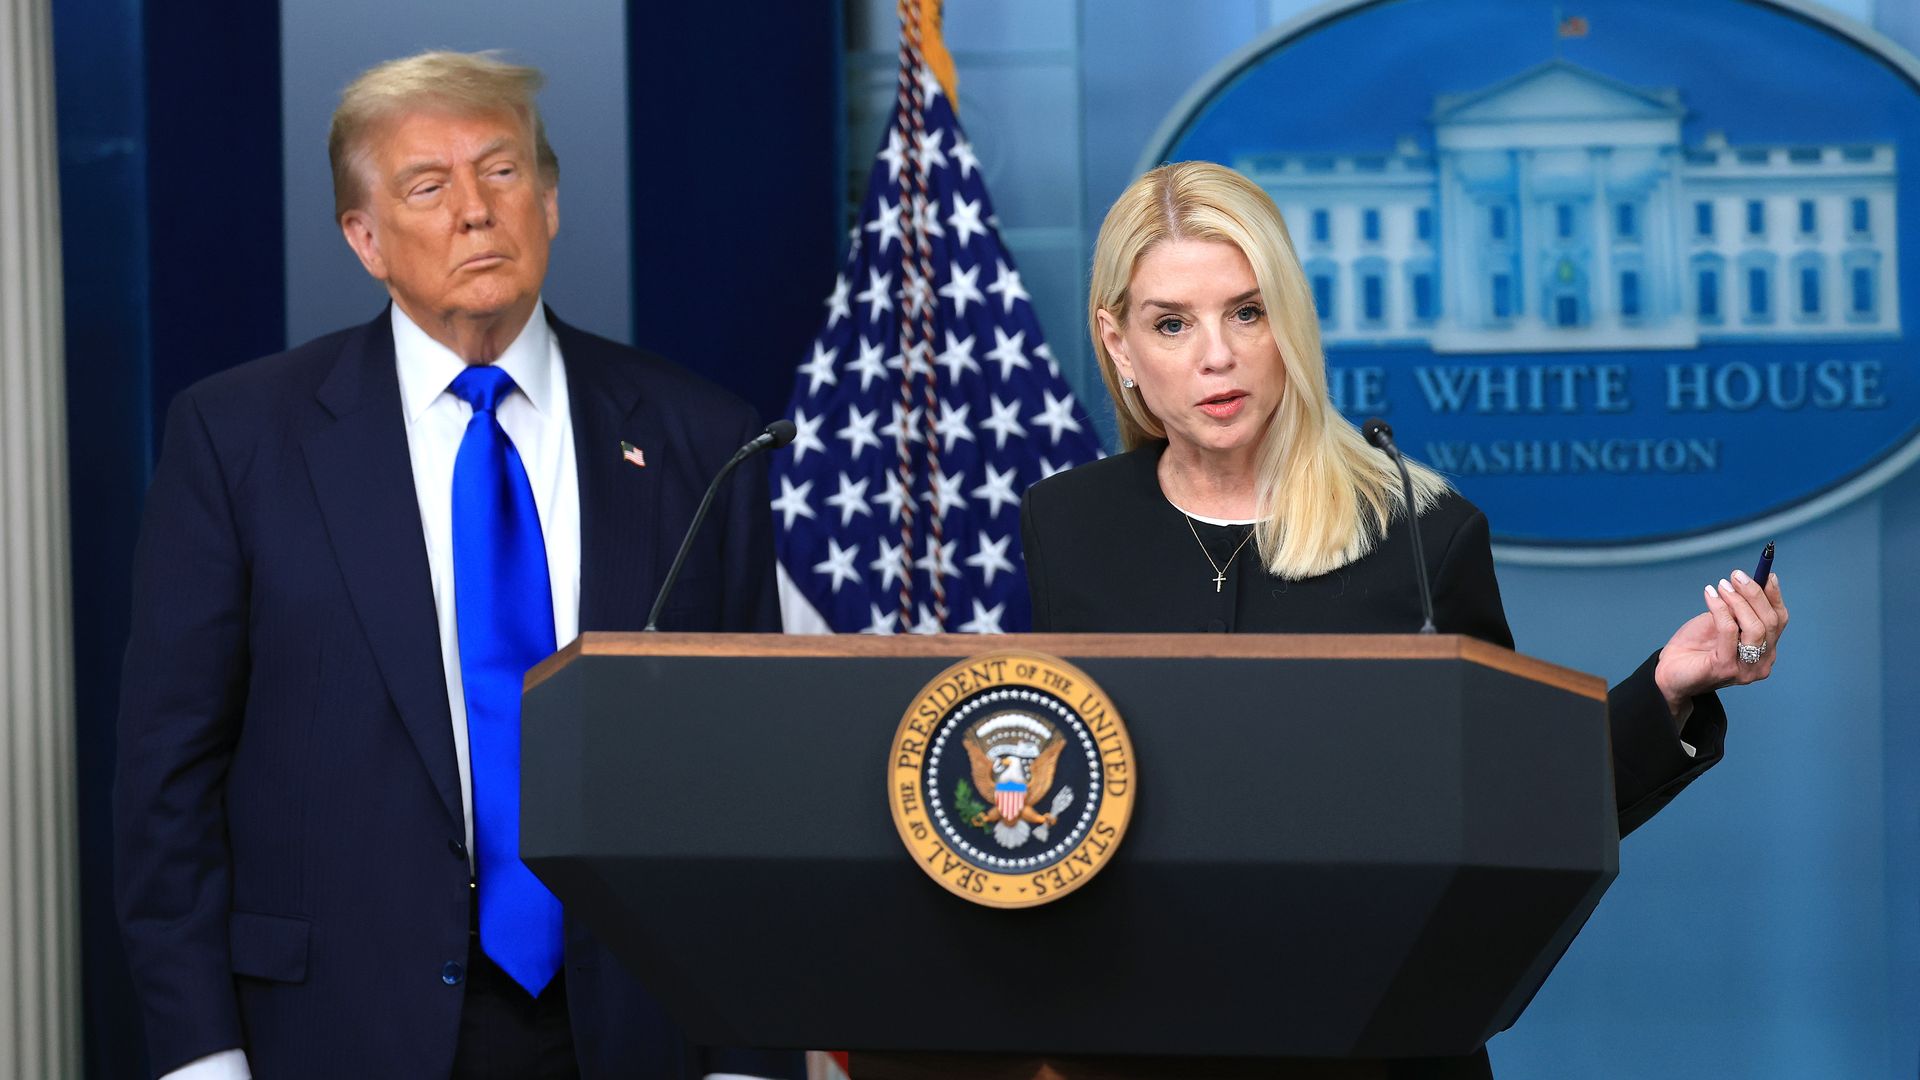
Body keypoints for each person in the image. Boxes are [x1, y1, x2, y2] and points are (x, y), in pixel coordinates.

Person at [115, 51, 799, 1080]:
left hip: (637, 1027)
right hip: (337, 1030)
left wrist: (747, 1059)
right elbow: (169, 779)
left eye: (502, 171)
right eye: (428, 187)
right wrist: (201, 1059)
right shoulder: (239, 440)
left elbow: (751, 775)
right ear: (365, 238)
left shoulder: (703, 437)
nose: (476, 211)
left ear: (550, 202)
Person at [1020, 161, 1788, 1077]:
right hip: (1144, 1042)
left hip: (1376, 1045)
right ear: (1118, 343)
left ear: (1290, 321)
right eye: (1172, 323)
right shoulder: (1068, 526)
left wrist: (1665, 689)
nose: (1215, 355)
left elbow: (1513, 803)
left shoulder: (1420, 532)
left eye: (1247, 312)